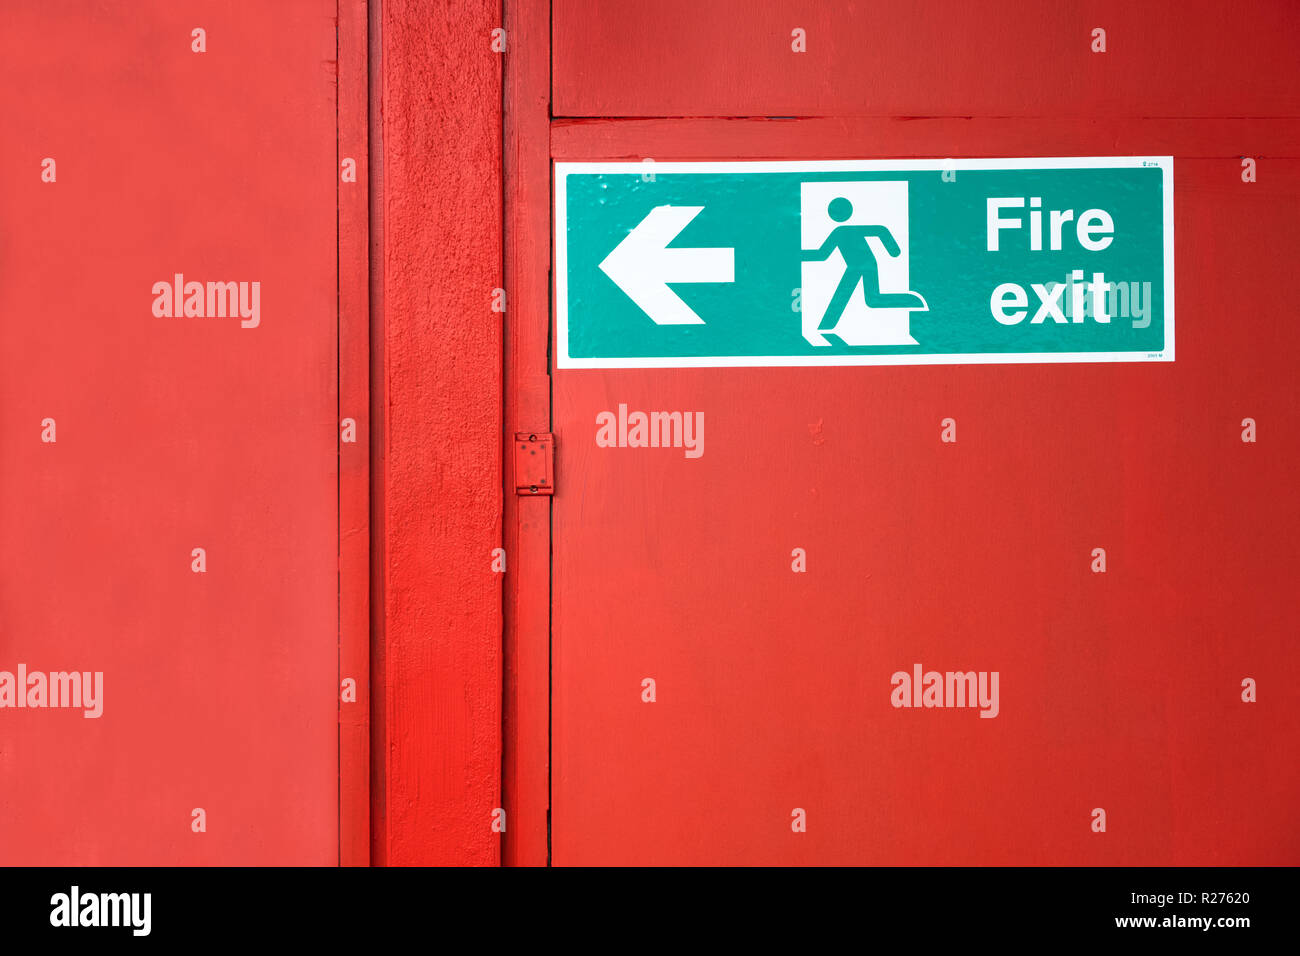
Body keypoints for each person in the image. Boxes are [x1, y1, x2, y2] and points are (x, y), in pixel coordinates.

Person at [802, 196, 927, 332]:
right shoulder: (839, 232)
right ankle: (827, 326)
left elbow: (880, 230)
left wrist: (893, 250)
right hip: (856, 267)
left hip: (866, 266)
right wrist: (893, 250)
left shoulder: (840, 232)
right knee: (872, 300)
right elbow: (822, 254)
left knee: (870, 299)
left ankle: (912, 301)